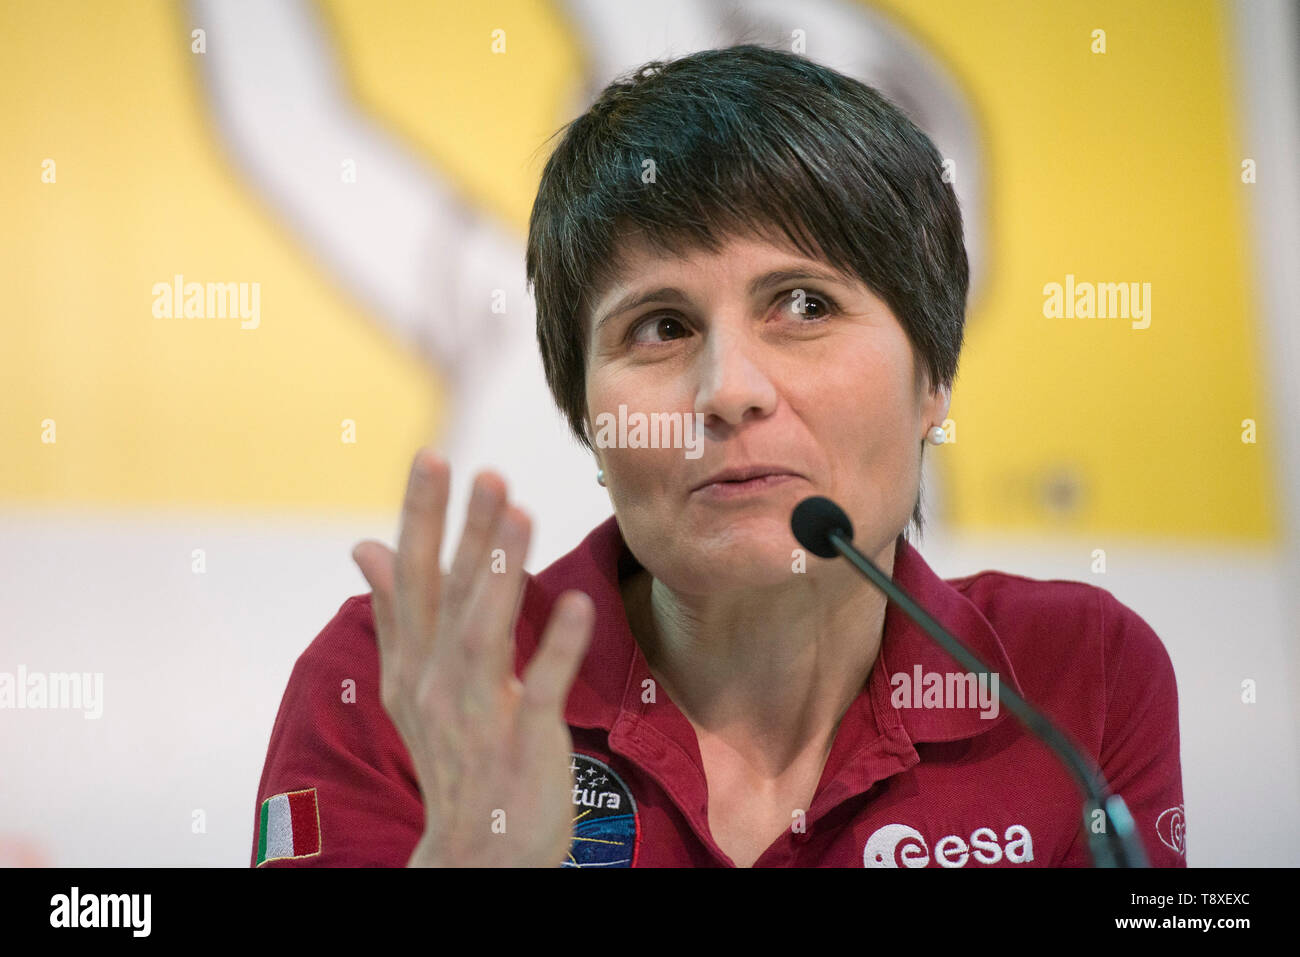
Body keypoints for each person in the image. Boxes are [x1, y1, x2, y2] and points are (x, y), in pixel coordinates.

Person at [251, 45, 1186, 868]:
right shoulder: (409, 684)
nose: (727, 389)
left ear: (934, 378)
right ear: (585, 413)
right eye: (661, 326)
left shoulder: (1075, 678)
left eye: (805, 304)